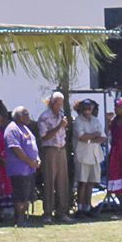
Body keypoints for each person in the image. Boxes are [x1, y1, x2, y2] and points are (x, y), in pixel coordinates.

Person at [36, 92, 72, 223]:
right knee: (49, 181)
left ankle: (62, 212)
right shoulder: (44, 117)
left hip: (61, 149)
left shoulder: (61, 114)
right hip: (49, 150)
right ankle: (47, 214)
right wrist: (59, 126)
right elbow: (44, 136)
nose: (60, 105)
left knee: (63, 182)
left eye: (61, 103)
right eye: (57, 103)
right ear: (51, 103)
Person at [5, 106, 40, 226]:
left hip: (29, 169)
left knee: (27, 196)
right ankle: (19, 220)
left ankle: (24, 218)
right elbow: (15, 148)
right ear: (19, 117)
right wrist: (29, 161)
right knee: (20, 196)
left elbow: (33, 145)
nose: (29, 117)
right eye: (26, 114)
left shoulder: (25, 128)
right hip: (19, 169)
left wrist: (37, 159)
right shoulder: (12, 129)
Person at [72, 98, 106, 214]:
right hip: (83, 156)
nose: (87, 110)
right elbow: (81, 136)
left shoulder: (96, 120)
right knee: (82, 183)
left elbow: (103, 137)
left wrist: (90, 138)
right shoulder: (77, 121)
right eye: (85, 108)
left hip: (95, 156)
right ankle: (80, 208)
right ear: (81, 108)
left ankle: (88, 206)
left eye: (90, 108)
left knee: (91, 183)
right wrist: (94, 135)